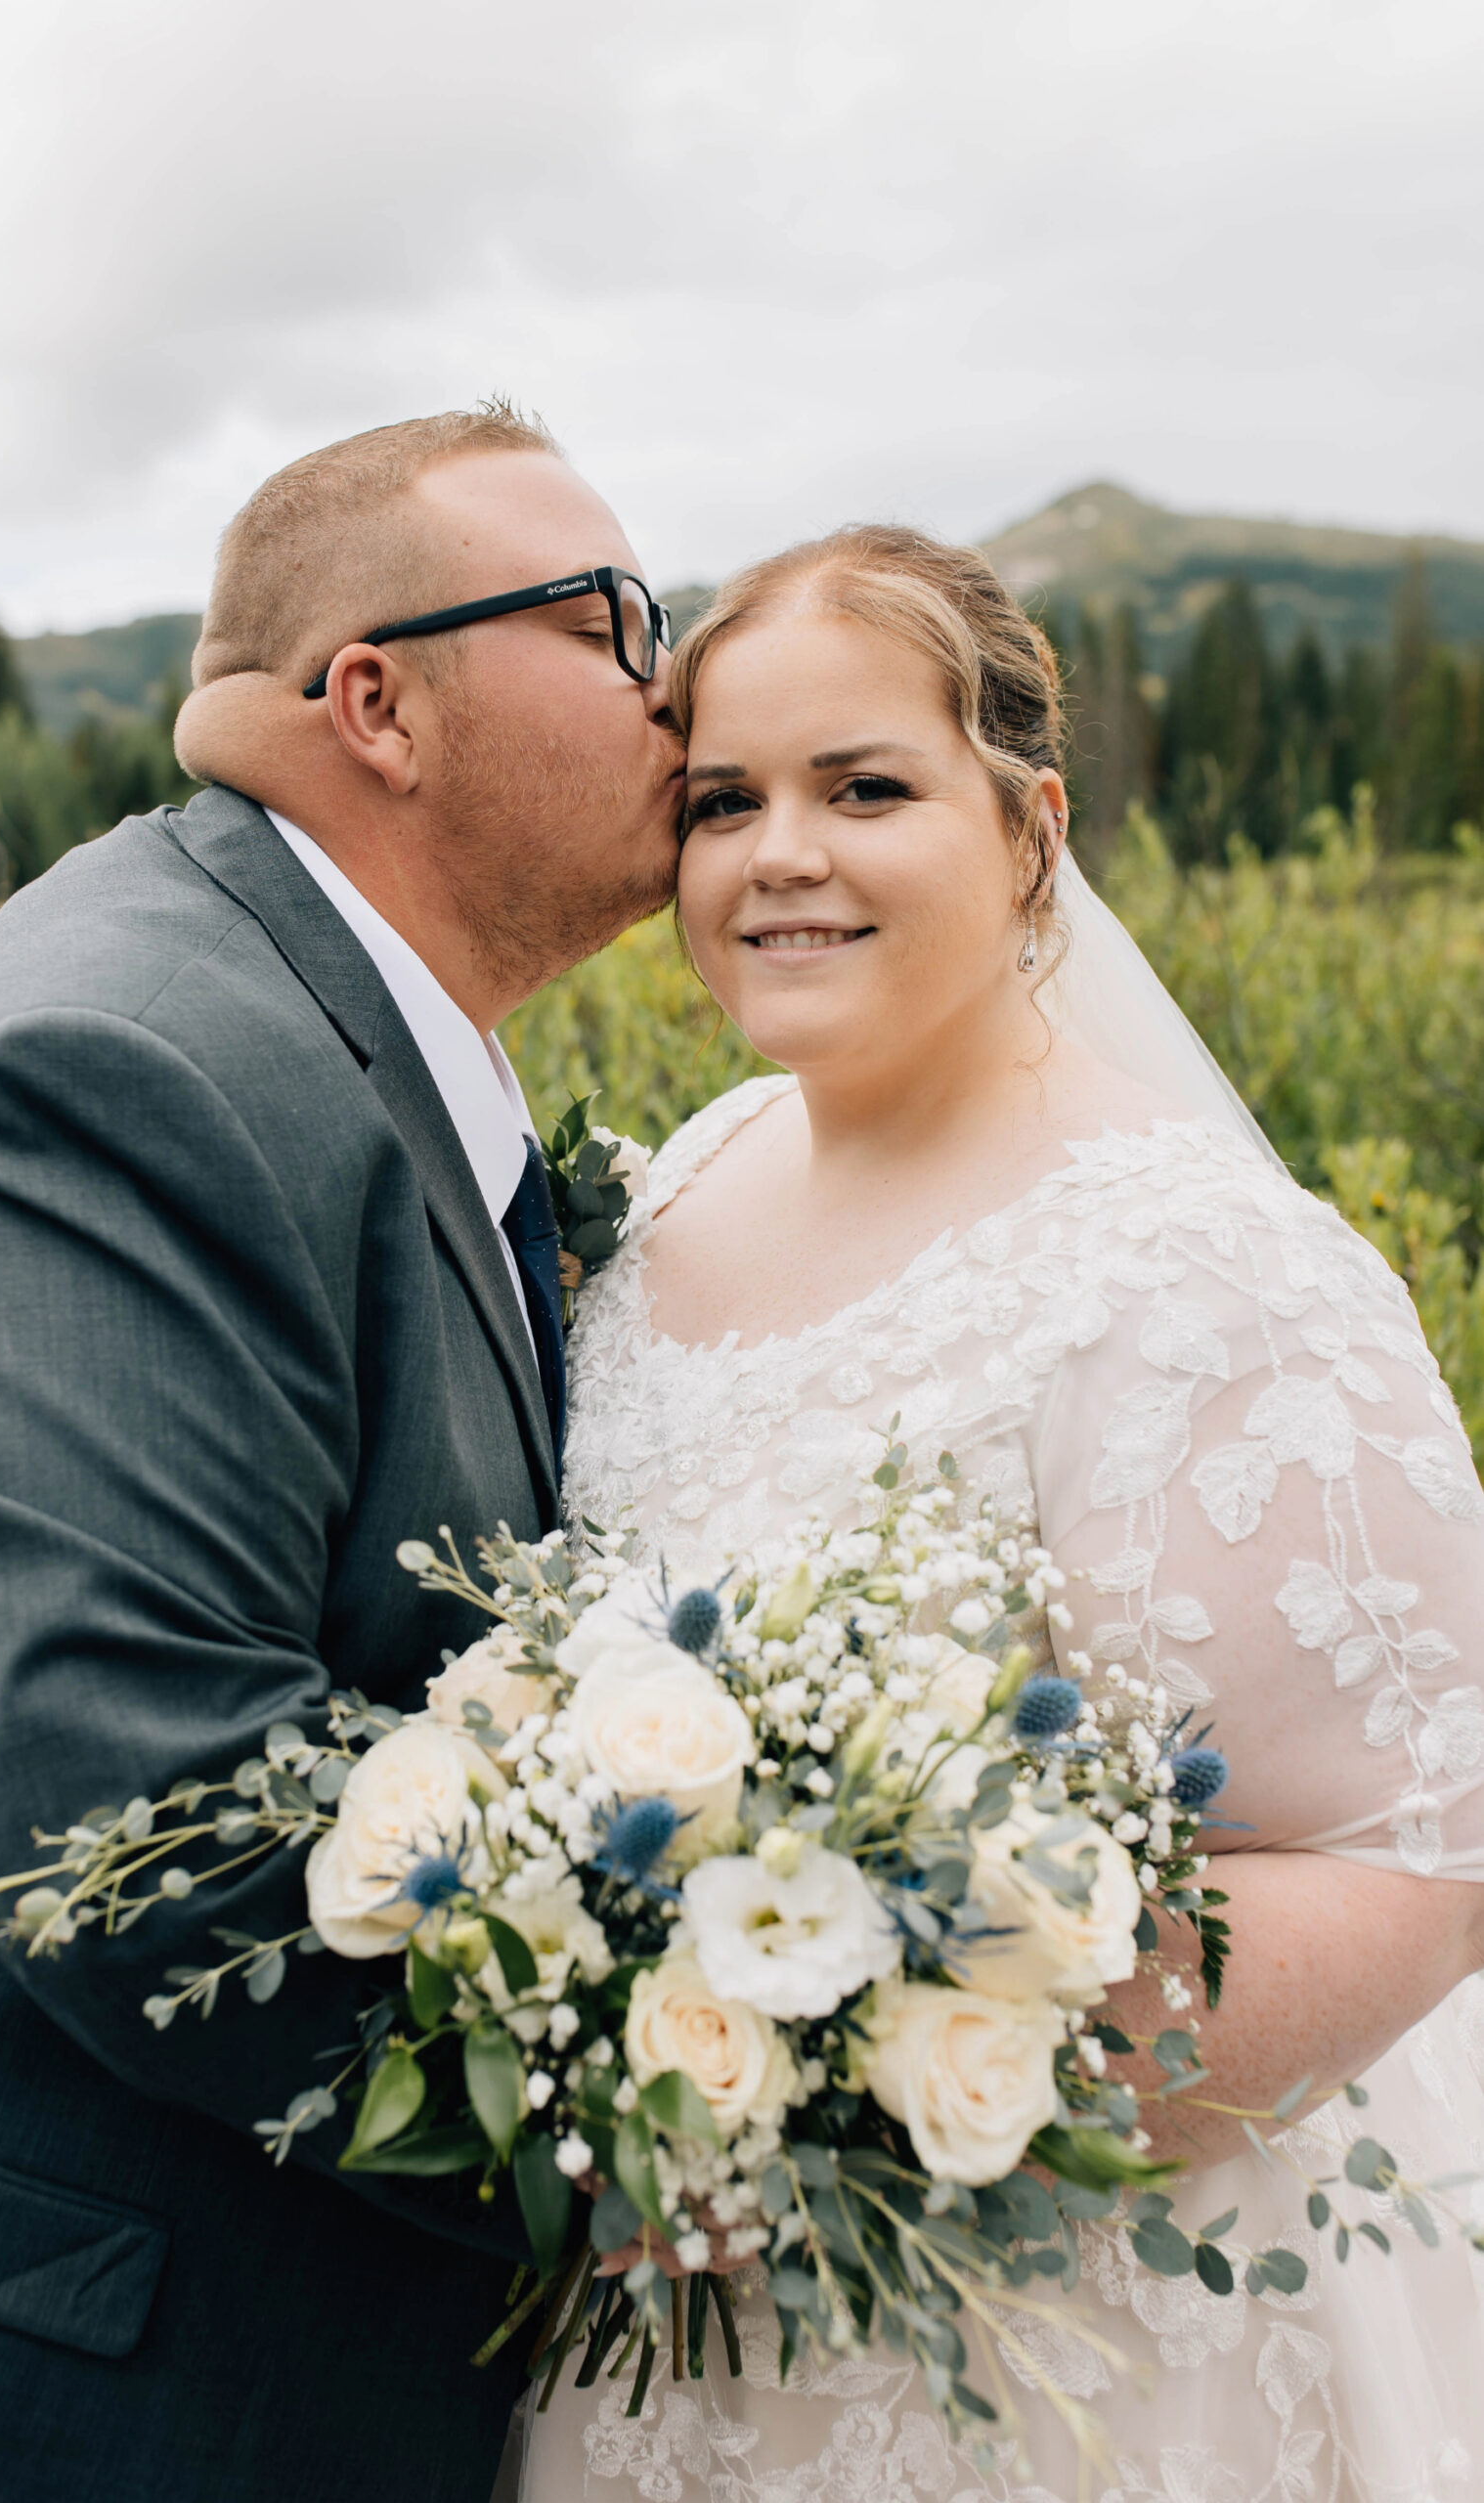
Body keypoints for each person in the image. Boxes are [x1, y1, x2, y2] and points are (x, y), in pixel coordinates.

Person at [509, 526, 1484, 2499]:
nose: (778, 851)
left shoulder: (1201, 1268)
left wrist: (848, 2087)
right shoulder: (688, 1172)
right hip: (663, 2323)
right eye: (721, 800)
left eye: (863, 785)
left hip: (1058, 2344)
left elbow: (1420, 1846)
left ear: (1030, 827)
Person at [0, 405, 683, 2503]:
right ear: (375, 699)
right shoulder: (121, 1058)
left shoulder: (304, 1017)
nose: (679, 685)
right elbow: (130, 1803)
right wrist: (679, 2144)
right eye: (615, 620)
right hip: (77, 2382)